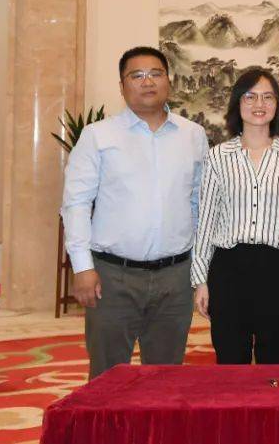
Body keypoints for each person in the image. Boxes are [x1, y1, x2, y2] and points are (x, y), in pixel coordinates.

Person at [60, 45, 209, 379]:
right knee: (107, 377)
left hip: (175, 276)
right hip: (112, 277)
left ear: (169, 81)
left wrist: (200, 270)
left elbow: (200, 204)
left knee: (165, 377)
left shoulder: (193, 135)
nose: (147, 82)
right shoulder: (98, 136)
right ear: (122, 85)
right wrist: (83, 268)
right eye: (137, 75)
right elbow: (76, 204)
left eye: (156, 73)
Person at [191, 67, 279, 364]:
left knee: (273, 363)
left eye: (267, 97)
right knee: (230, 363)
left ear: (277, 105)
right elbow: (206, 222)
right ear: (238, 103)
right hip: (228, 270)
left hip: (277, 271)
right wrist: (201, 280)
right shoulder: (218, 156)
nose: (259, 104)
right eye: (250, 97)